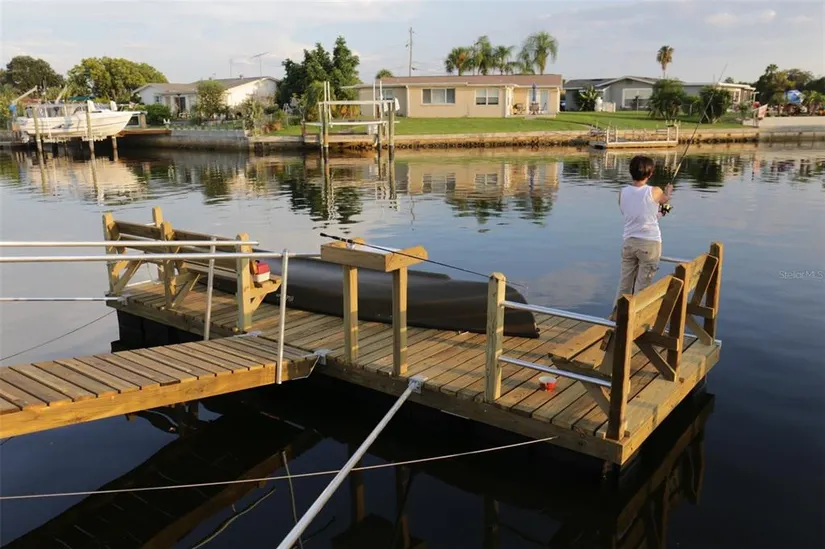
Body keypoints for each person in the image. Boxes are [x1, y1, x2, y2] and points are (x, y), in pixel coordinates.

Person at [613, 155, 672, 311]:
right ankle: (636, 319)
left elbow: (635, 213)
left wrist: (658, 211)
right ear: (650, 173)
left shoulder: (622, 193)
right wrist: (668, 192)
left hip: (629, 243)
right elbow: (665, 200)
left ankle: (617, 316)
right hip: (649, 244)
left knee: (624, 284)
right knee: (642, 287)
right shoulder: (655, 191)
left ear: (630, 171)